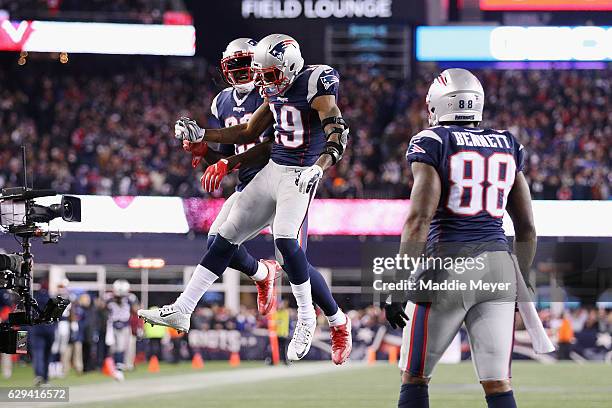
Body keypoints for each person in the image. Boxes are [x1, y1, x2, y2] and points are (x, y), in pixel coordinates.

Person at [139, 35, 352, 365]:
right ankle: (184, 308)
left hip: (297, 174)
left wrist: (321, 166)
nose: (263, 82)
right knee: (221, 239)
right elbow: (246, 133)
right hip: (267, 175)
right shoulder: (255, 92)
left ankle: (316, 319)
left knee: (287, 248)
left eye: (269, 75)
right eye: (261, 74)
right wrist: (202, 138)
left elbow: (337, 130)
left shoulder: (314, 81)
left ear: (289, 67)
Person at [384, 68, 537, 408]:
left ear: (438, 104)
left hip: (447, 266)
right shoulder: (507, 143)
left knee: (415, 376)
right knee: (498, 383)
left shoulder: (433, 141)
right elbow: (526, 226)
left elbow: (419, 218)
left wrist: (397, 282)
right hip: (498, 267)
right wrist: (521, 277)